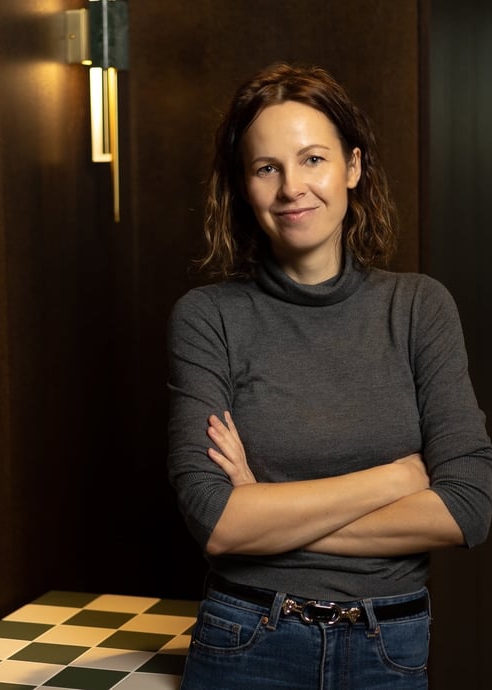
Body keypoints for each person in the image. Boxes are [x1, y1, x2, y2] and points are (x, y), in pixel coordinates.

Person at [166, 61, 492, 689]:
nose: (293, 187)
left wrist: (264, 514)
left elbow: (467, 509)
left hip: (387, 646)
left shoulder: (420, 308)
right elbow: (215, 519)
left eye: (312, 159)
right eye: (267, 168)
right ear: (243, 185)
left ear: (352, 167)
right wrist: (396, 479)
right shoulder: (208, 318)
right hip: (246, 638)